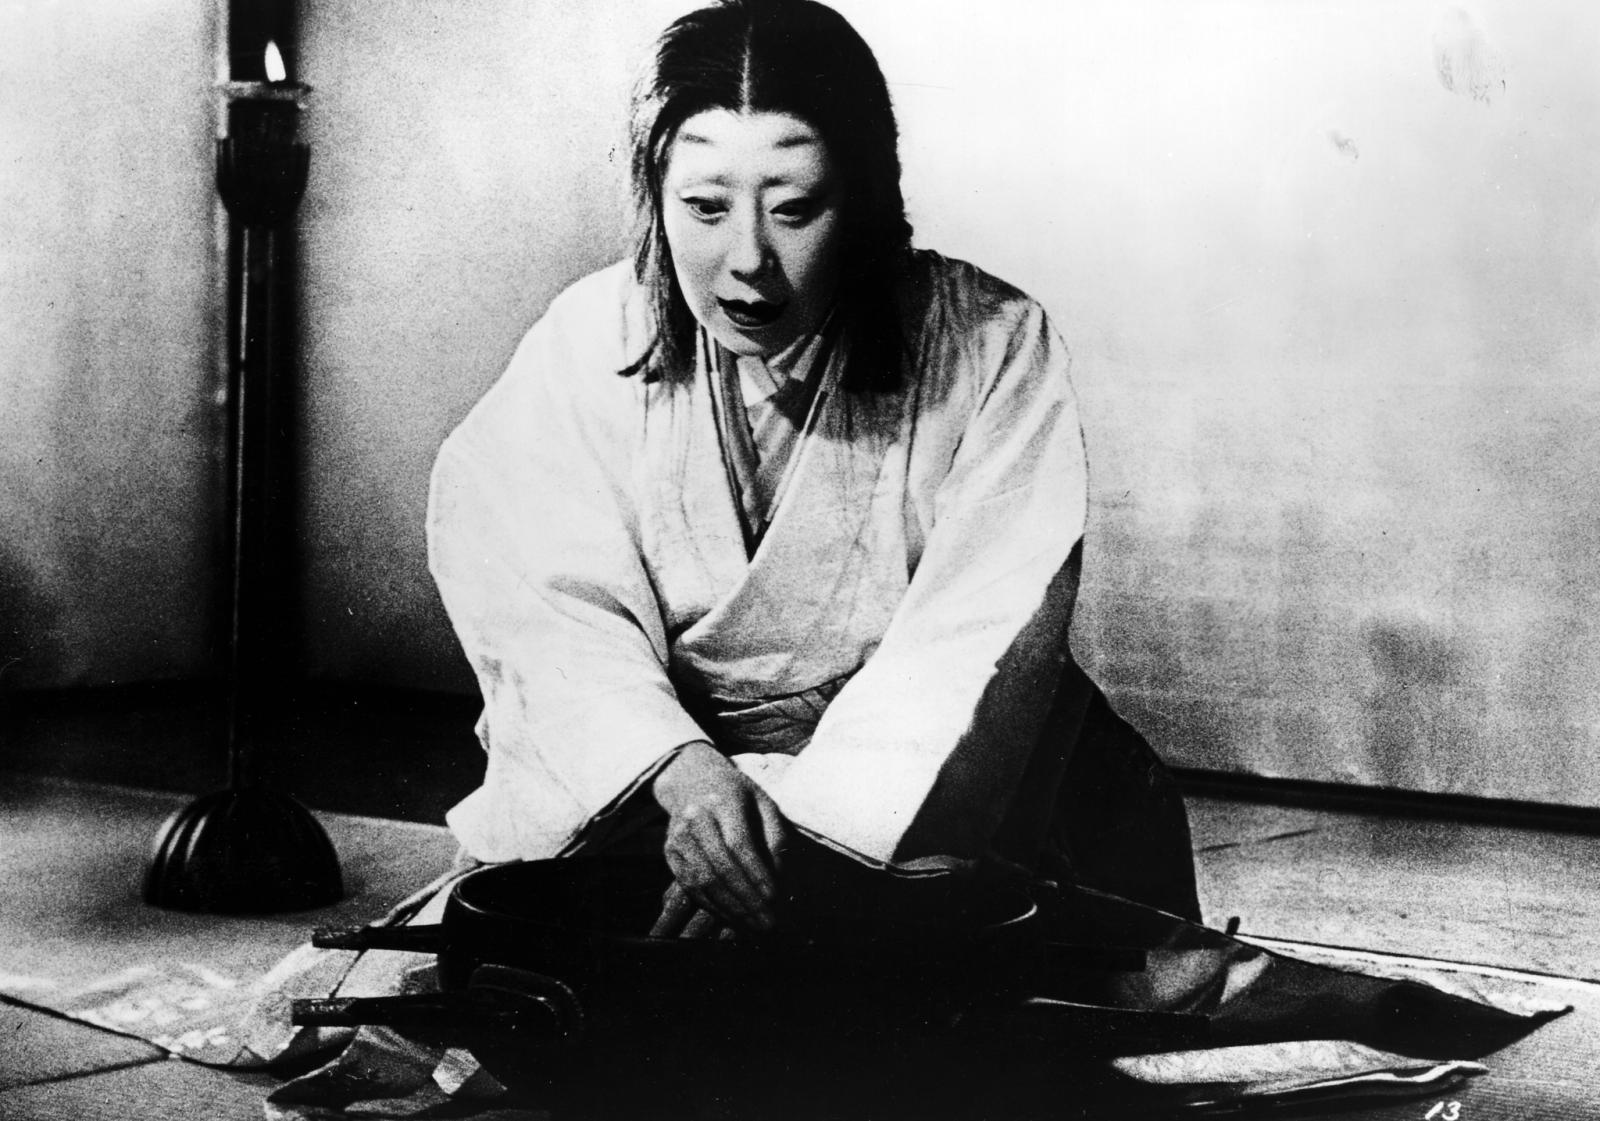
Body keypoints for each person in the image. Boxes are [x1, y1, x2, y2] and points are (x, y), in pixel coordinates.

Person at [426, 0, 1199, 939]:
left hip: (929, 788)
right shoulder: (589, 338)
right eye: (705, 207)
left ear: (864, 196)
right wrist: (681, 772)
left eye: (794, 209)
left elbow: (976, 636)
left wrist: (793, 843)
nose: (748, 260)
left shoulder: (989, 342)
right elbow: (544, 606)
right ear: (654, 193)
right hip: (654, 783)